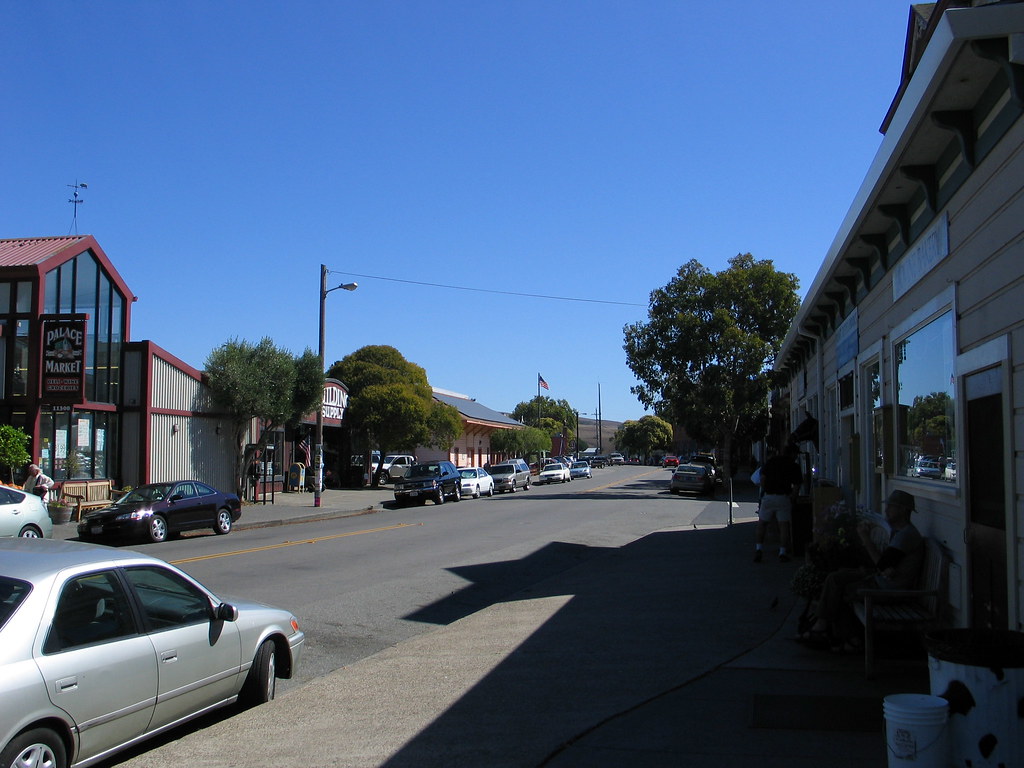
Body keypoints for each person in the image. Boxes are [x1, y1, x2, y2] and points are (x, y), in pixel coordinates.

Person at [802, 489, 924, 650]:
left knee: (842, 589)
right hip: (883, 579)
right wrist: (880, 567)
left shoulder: (906, 535)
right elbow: (886, 566)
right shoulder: (899, 532)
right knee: (837, 576)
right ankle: (827, 628)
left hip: (890, 589)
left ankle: (847, 637)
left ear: (903, 510)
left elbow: (882, 565)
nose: (886, 510)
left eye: (891, 506)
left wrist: (865, 538)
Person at [753, 443, 802, 562]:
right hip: (783, 497)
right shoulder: (794, 466)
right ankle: (782, 552)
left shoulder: (772, 461)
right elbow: (796, 486)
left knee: (762, 523)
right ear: (793, 454)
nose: (797, 457)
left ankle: (759, 549)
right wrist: (793, 498)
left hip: (768, 496)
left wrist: (764, 490)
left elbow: (762, 477)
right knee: (784, 525)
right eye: (796, 454)